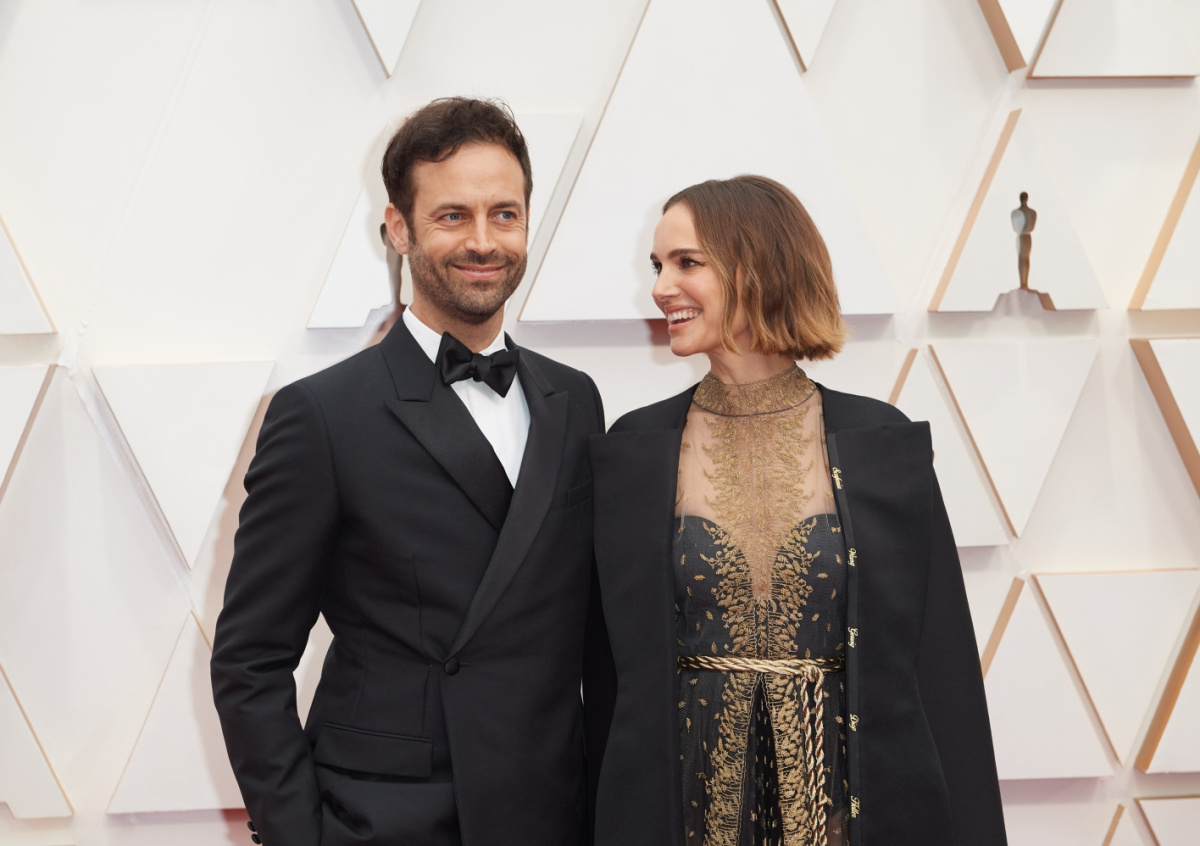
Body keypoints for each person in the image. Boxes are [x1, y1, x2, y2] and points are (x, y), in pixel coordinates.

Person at [211, 98, 604, 846]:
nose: (483, 241)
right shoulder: (322, 415)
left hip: (549, 813)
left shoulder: (575, 400)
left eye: (504, 214)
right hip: (386, 818)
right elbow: (250, 660)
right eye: (453, 215)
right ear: (398, 228)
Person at [584, 176, 1006, 845]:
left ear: (757, 269)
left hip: (847, 813)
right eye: (658, 265)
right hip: (684, 812)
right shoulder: (635, 449)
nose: (661, 287)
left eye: (687, 263)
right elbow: (609, 677)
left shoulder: (880, 445)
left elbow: (939, 666)